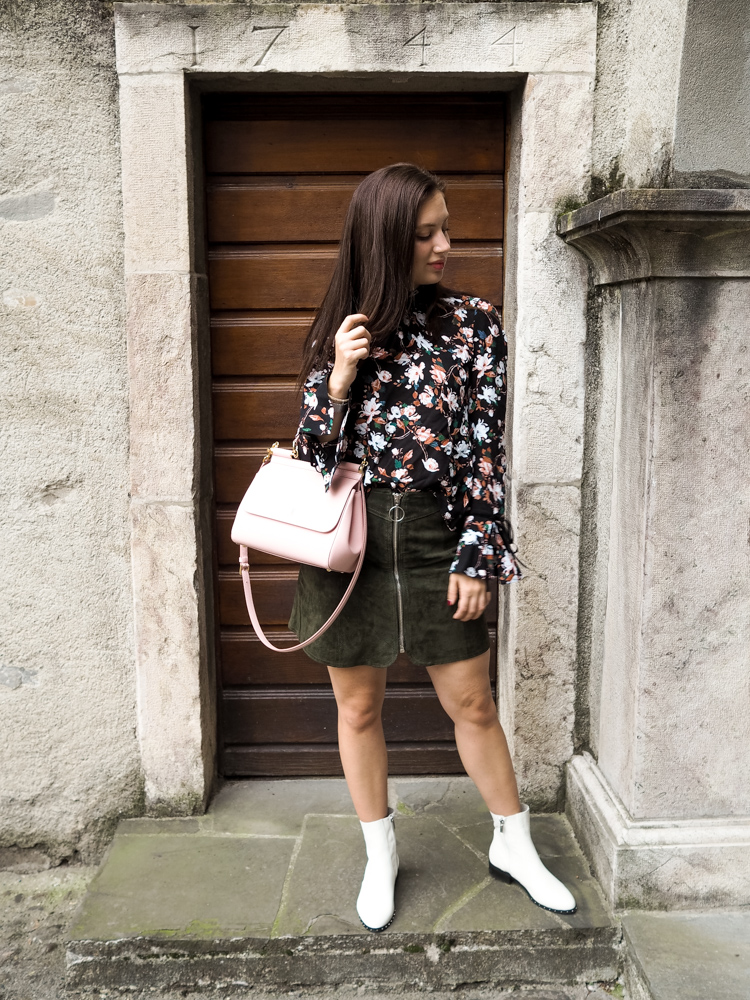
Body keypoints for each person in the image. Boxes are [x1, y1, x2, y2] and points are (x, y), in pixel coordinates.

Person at [288, 163, 577, 930]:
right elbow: (312, 462)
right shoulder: (336, 330)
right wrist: (340, 377)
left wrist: (478, 552)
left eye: (446, 226)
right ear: (385, 241)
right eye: (426, 234)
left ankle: (514, 845)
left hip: (432, 532)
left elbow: (485, 450)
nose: (446, 244)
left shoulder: (476, 325)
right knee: (358, 708)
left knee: (472, 701)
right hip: (349, 539)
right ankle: (380, 853)